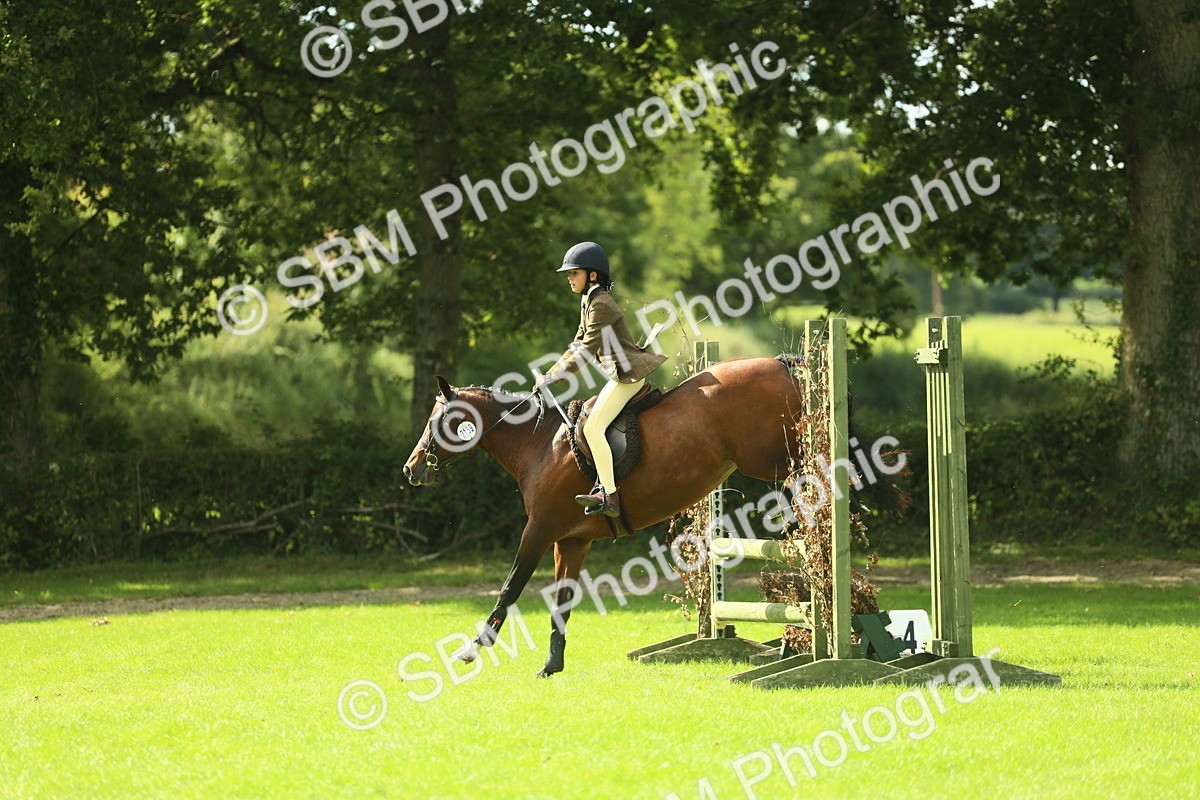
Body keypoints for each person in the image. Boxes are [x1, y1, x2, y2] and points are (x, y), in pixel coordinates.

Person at [535, 242, 666, 518]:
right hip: (619, 375)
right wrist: (549, 374)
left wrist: (554, 377)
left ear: (592, 275)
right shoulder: (589, 301)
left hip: (628, 377)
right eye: (568, 274)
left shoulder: (602, 304)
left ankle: (611, 495)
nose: (569, 278)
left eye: (574, 273)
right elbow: (576, 345)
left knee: (593, 428)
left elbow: (585, 352)